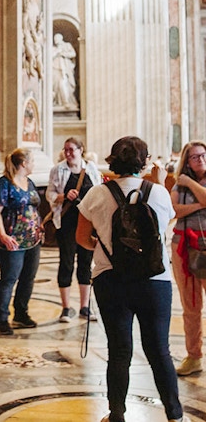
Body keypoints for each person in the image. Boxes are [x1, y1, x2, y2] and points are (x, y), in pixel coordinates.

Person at [76, 136, 189, 422]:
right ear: (145, 161)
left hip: (110, 279)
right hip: (154, 280)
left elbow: (82, 239)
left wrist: (108, 249)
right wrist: (160, 181)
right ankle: (175, 415)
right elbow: (164, 227)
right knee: (159, 350)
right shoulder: (160, 194)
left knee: (119, 350)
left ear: (113, 160)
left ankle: (116, 415)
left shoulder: (96, 194)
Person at [46, 137, 101, 322]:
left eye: (72, 150)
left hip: (88, 222)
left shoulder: (91, 168)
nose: (68, 153)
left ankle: (85, 306)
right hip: (67, 223)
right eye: (66, 150)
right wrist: (63, 196)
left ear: (80, 150)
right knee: (66, 262)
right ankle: (66, 307)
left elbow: (99, 190)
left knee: (86, 263)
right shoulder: (58, 169)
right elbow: (50, 194)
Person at [0, 148, 42, 335]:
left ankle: (21, 313)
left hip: (33, 239)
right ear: (24, 164)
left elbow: (34, 207)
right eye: (32, 161)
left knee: (28, 277)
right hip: (12, 239)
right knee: (9, 279)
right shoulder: (4, 184)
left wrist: (40, 225)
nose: (34, 164)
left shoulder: (30, 182)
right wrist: (2, 235)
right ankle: (2, 319)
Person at [170, 141, 206, 377]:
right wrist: (198, 205)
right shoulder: (177, 183)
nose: (200, 160)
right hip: (182, 245)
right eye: (194, 157)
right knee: (190, 305)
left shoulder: (186, 183)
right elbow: (174, 210)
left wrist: (190, 184)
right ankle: (194, 356)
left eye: (203, 155)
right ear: (186, 160)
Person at [52, 33, 78, 108]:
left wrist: (63, 53)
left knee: (63, 84)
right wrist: (57, 51)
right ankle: (58, 102)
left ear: (61, 39)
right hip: (55, 68)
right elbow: (50, 56)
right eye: (54, 39)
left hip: (65, 69)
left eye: (57, 38)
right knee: (56, 86)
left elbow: (73, 54)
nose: (55, 40)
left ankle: (66, 101)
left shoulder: (67, 45)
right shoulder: (53, 48)